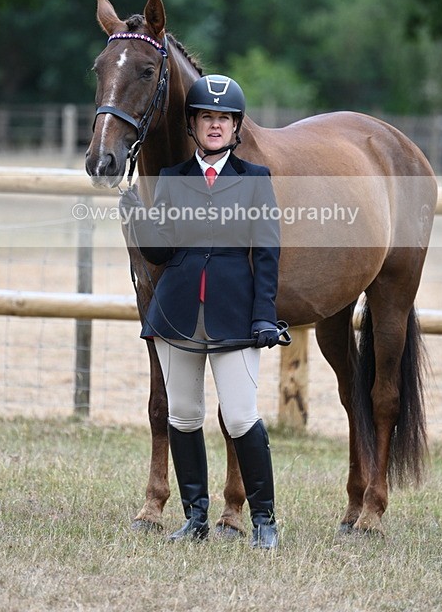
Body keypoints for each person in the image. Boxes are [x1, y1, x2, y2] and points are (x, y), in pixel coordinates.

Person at [119, 75, 280, 549]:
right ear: (192, 125)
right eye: (206, 117)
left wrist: (264, 315)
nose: (215, 125)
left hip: (235, 313)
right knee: (185, 416)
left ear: (236, 128)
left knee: (241, 417)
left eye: (224, 119)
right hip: (177, 311)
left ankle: (264, 521)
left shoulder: (256, 181)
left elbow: (267, 254)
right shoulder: (172, 180)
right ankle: (195, 518)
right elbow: (161, 253)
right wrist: (137, 216)